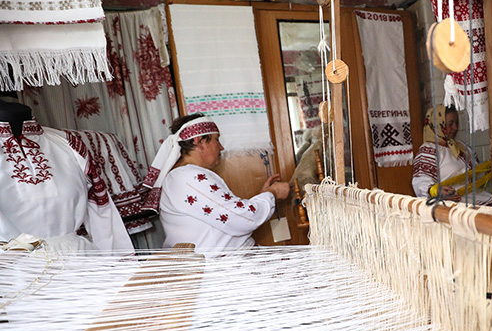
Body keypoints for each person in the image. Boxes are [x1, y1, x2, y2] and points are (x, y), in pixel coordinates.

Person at [143, 114, 290, 256]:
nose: (221, 147)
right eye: (216, 140)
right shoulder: (187, 177)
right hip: (224, 269)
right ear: (199, 142)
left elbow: (228, 213)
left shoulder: (184, 177)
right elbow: (241, 219)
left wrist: (264, 196)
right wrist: (272, 194)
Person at [0, 100, 133, 255]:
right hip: (15, 269)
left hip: (81, 261)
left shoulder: (68, 143)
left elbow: (101, 210)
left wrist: (118, 262)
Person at [412, 105, 492, 205]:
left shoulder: (462, 147)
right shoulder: (428, 151)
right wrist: (435, 191)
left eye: (456, 123)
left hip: (477, 199)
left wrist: (490, 166)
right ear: (437, 125)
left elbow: (477, 173)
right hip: (453, 206)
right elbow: (420, 181)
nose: (455, 127)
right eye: (450, 124)